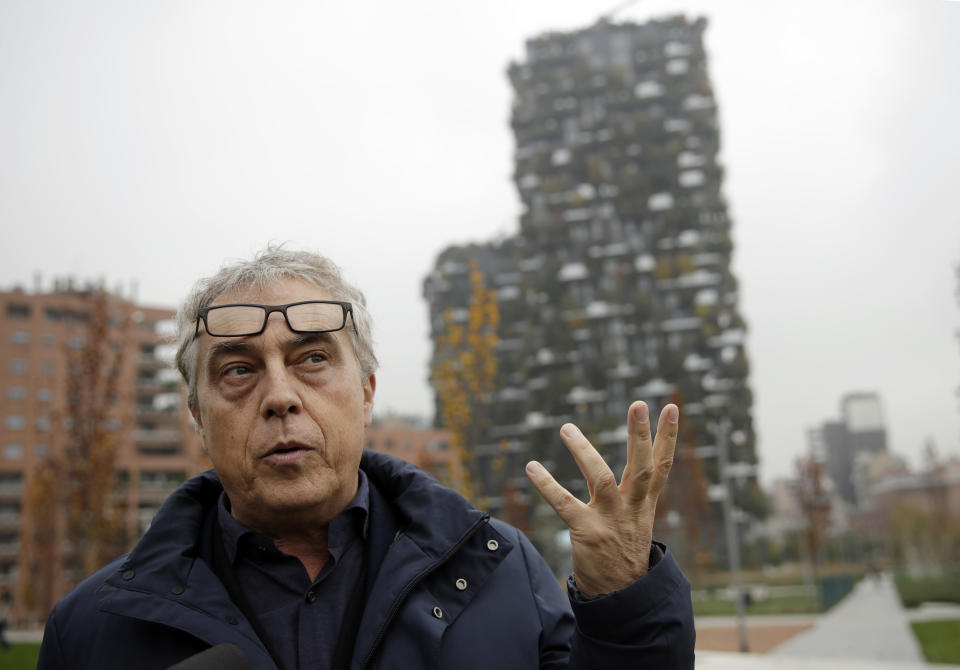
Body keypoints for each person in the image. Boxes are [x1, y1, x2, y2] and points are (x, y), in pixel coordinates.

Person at [37, 247, 695, 669]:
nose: (280, 396)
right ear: (196, 416)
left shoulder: (502, 573)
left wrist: (622, 604)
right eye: (238, 370)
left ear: (367, 393)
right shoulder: (92, 630)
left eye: (313, 358)